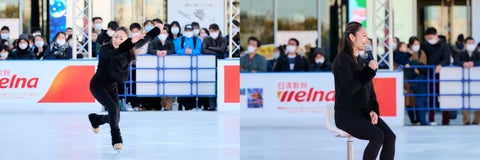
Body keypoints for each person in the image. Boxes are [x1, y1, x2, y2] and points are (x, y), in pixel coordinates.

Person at [332, 22, 395, 160]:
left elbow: (370, 93)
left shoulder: (363, 61)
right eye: (364, 36)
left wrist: (373, 110)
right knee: (377, 135)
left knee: (390, 137)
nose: (366, 40)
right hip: (346, 114)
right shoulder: (342, 59)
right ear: (352, 37)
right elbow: (351, 88)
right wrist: (369, 71)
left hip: (363, 113)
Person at [88, 27, 144, 151]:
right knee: (113, 109)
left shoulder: (128, 50)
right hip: (97, 85)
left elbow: (145, 39)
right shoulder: (105, 49)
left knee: (116, 116)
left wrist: (158, 29)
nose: (117, 40)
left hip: (112, 87)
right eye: (116, 37)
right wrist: (129, 42)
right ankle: (116, 139)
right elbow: (114, 54)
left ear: (126, 40)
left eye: (121, 38)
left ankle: (96, 119)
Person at [420, 27, 451, 125]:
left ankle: (446, 121)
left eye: (431, 38)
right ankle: (431, 119)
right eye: (428, 38)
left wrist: (441, 65)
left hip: (443, 75)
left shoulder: (444, 46)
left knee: (445, 97)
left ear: (436, 35)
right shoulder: (425, 46)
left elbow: (447, 59)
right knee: (431, 98)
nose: (430, 40)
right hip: (429, 75)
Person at [453, 36, 480, 125]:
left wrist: (474, 64)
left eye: (472, 43)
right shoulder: (460, 54)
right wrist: (463, 63)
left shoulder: (477, 54)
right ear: (465, 44)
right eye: (469, 43)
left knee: (477, 98)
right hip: (464, 79)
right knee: (464, 99)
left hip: (476, 80)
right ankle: (466, 120)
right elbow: (456, 62)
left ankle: (477, 120)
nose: (471, 45)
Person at [147, 27, 175, 111]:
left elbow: (173, 50)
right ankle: (163, 103)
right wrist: (156, 52)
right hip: (157, 68)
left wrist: (167, 52)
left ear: (167, 34)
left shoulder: (170, 43)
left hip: (169, 68)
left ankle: (168, 105)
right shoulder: (153, 42)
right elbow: (150, 50)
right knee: (161, 86)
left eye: (165, 33)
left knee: (170, 86)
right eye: (161, 33)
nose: (163, 35)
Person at [403, 36, 428, 125]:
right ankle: (413, 120)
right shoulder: (405, 53)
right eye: (414, 44)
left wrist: (413, 66)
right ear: (410, 45)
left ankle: (419, 120)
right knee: (409, 101)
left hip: (417, 81)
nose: (416, 46)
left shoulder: (421, 53)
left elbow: (422, 66)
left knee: (417, 100)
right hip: (407, 80)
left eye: (418, 44)